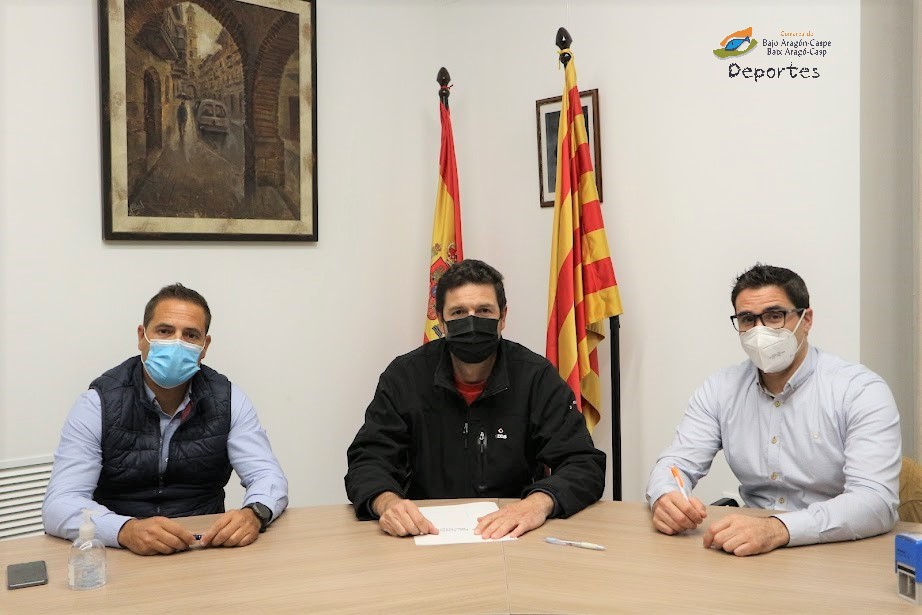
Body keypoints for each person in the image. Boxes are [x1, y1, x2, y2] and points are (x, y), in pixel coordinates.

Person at [646, 264, 901, 556]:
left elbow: (875, 501)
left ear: (806, 320)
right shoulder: (721, 388)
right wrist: (665, 496)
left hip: (839, 548)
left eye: (774, 316)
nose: (760, 330)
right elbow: (676, 462)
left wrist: (778, 528)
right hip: (750, 548)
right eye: (747, 319)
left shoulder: (860, 390)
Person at [345, 259, 605, 540]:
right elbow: (368, 460)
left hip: (514, 534)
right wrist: (387, 503)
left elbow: (583, 464)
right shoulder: (405, 377)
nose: (471, 322)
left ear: (503, 317)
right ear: (441, 322)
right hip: (424, 533)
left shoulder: (535, 377)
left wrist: (537, 504)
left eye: (483, 311)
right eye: (458, 312)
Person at [43, 284, 288, 555]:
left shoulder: (228, 400)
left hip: (203, 547)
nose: (176, 343)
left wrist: (254, 513)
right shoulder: (98, 403)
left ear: (204, 347)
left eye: (190, 335)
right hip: (121, 552)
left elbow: (267, 475)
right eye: (164, 331)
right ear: (142, 336)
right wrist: (124, 530)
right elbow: (60, 503)